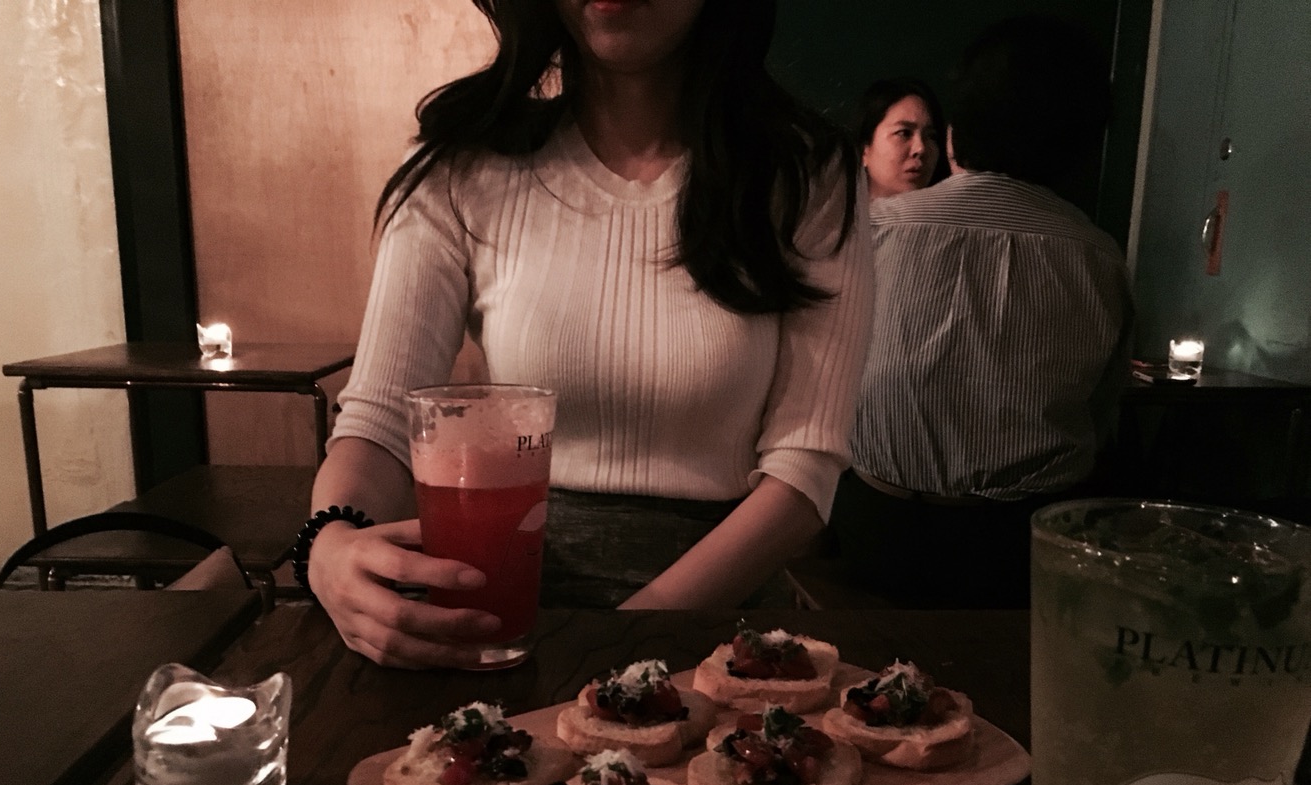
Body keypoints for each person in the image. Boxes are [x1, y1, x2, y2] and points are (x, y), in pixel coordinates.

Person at [303, 0, 874, 668]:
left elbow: (804, 470)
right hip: (497, 619)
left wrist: (610, 654)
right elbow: (379, 422)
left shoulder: (806, 173)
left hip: (719, 638)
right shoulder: (460, 163)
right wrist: (330, 543)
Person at [830, 15, 1131, 609]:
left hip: (878, 538)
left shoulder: (872, 232)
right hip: (1023, 551)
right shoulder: (1101, 258)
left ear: (953, 138)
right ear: (1085, 143)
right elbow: (1103, 418)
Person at [856, 77, 946, 200]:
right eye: (904, 133)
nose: (920, 148)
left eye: (931, 136)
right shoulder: (835, 211)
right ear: (864, 151)